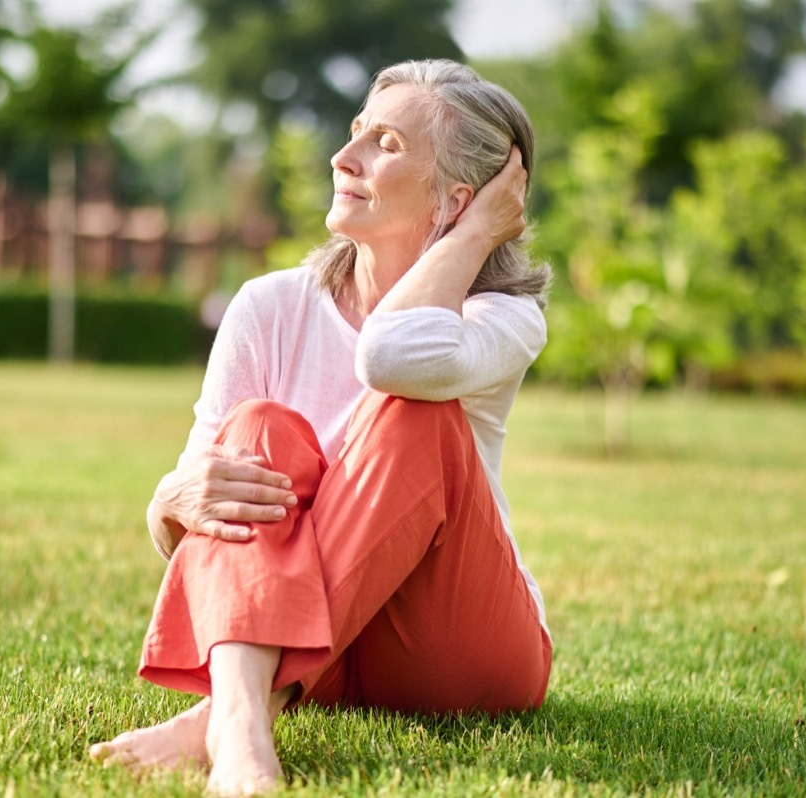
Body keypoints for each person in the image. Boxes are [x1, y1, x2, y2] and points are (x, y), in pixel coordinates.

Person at [90, 58, 553, 795]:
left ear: (456, 198)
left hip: (456, 652)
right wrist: (167, 502)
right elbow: (200, 525)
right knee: (257, 429)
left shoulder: (501, 318)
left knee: (416, 408)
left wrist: (469, 242)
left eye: (387, 145)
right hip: (315, 652)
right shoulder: (268, 307)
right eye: (354, 134)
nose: (344, 157)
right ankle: (241, 730)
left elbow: (391, 356)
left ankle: (219, 717)